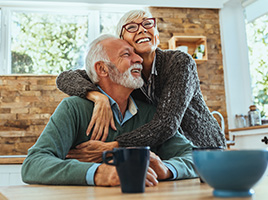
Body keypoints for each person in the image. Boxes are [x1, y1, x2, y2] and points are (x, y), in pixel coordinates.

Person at [21, 34, 198, 186]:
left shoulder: (150, 114)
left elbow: (194, 158)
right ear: (102, 69)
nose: (139, 59)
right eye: (127, 54)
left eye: (136, 54)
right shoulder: (73, 108)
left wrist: (166, 169)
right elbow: (33, 164)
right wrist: (100, 173)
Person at [56, 9, 226, 152]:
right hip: (169, 153)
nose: (142, 29)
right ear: (122, 41)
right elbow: (65, 78)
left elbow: (166, 124)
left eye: (147, 24)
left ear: (157, 36)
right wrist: (97, 97)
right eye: (131, 27)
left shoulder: (179, 62)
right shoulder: (125, 75)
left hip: (204, 149)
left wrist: (114, 146)